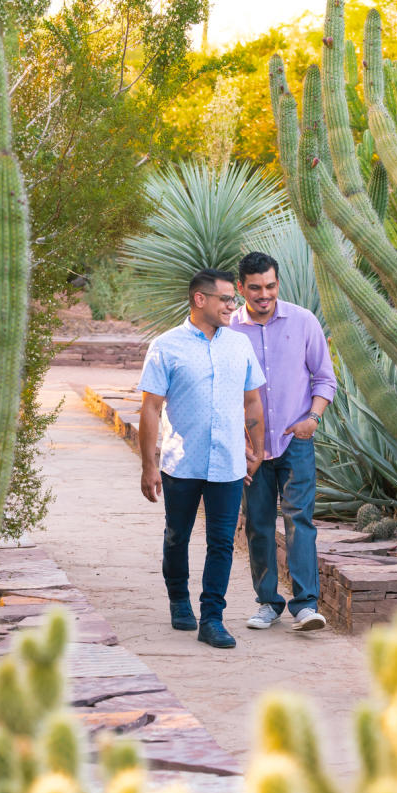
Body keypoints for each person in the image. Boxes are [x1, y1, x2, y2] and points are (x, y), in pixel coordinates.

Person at [138, 269, 266, 649]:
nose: (233, 305)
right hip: (182, 462)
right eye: (226, 298)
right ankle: (179, 599)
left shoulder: (239, 345)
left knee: (222, 542)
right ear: (200, 300)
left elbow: (252, 400)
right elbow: (150, 408)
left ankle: (212, 618)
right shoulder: (166, 345)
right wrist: (148, 465)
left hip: (228, 463)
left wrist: (256, 450)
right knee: (177, 537)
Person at [229, 251, 337, 632]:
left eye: (270, 286)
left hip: (296, 442)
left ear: (278, 284)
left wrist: (313, 418)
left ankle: (306, 605)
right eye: (255, 288)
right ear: (241, 287)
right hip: (249, 448)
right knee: (258, 524)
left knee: (299, 521)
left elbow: (325, 379)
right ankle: (268, 603)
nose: (264, 294)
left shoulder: (303, 322)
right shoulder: (228, 329)